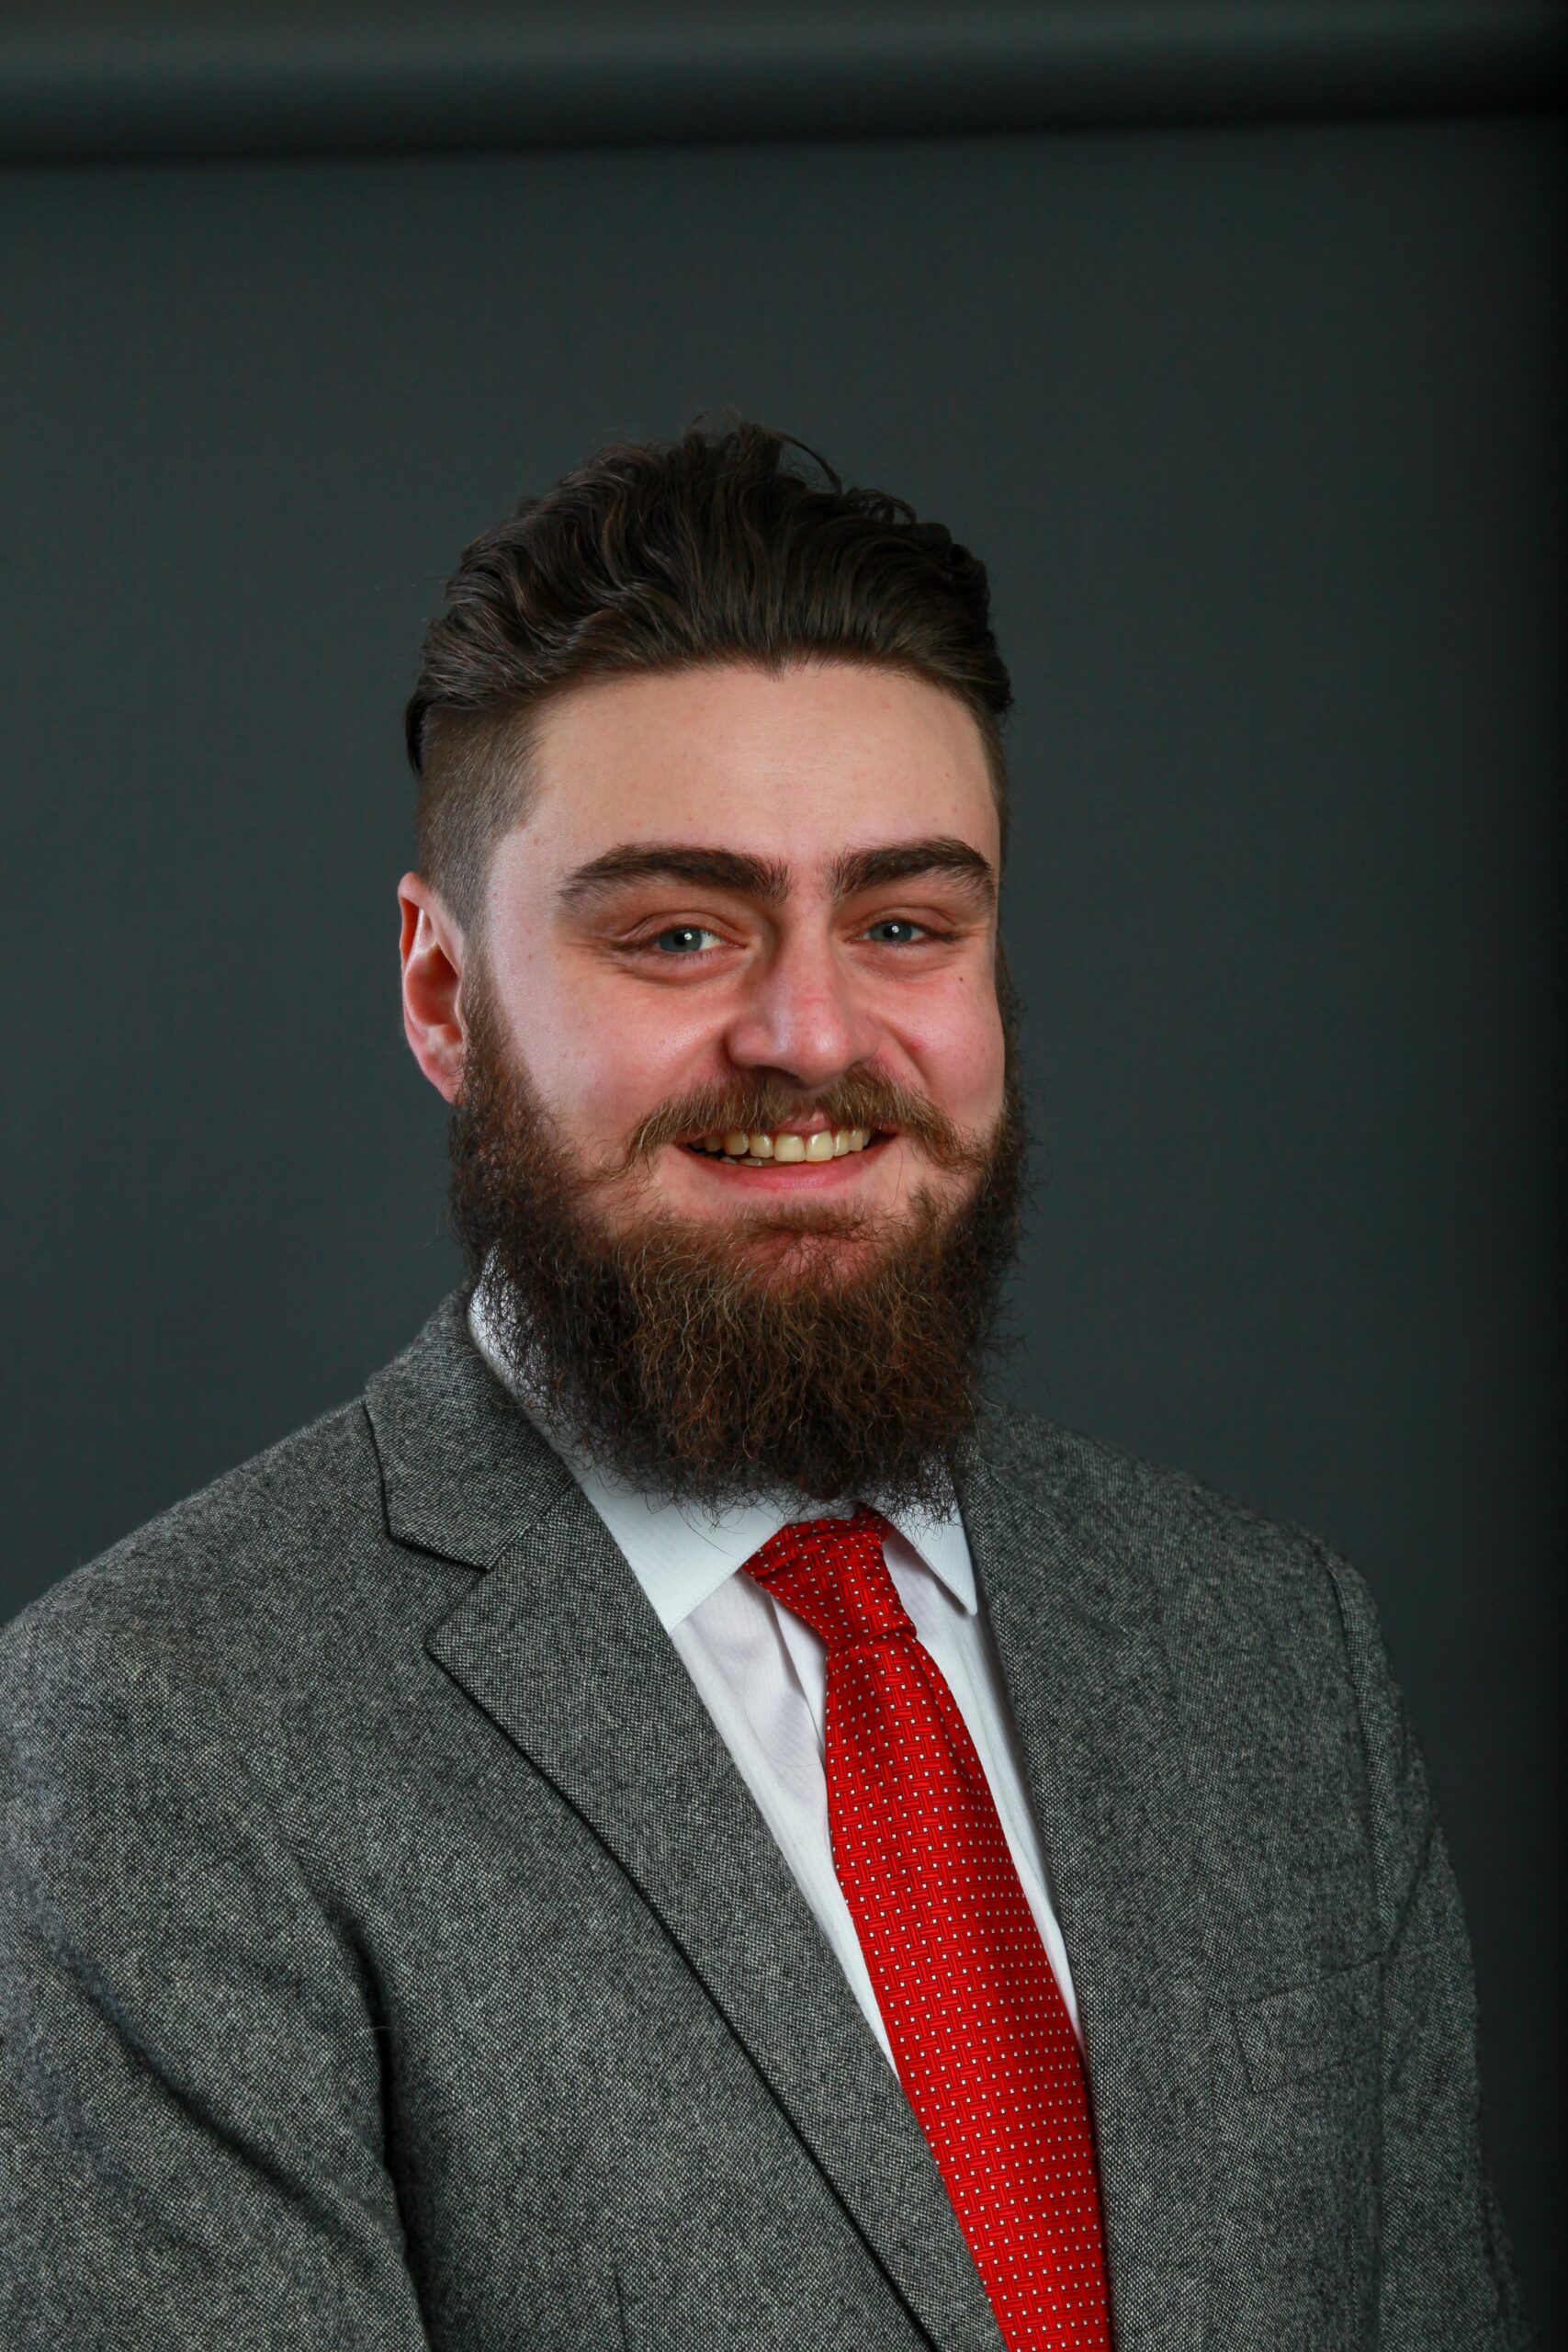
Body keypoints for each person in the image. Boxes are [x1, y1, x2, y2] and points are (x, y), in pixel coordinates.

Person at [0, 422, 1530, 2352]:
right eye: (677, 932)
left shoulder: (1275, 1660)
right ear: (443, 994)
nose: (811, 1035)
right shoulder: (152, 1740)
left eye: (902, 926)